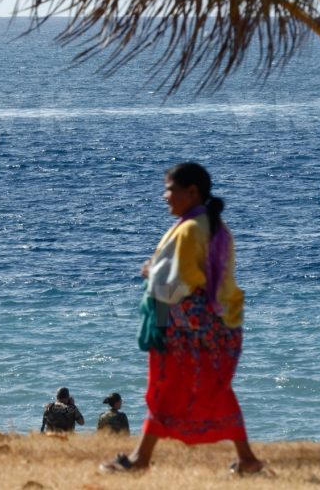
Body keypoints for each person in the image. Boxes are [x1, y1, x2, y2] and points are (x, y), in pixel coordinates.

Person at [102, 163, 265, 475]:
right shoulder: (212, 225)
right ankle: (244, 459)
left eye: (170, 189)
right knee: (203, 389)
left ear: (192, 192)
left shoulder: (190, 229)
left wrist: (150, 274)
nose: (165, 196)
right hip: (217, 325)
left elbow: (180, 285)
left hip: (188, 326)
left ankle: (141, 460)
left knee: (167, 386)